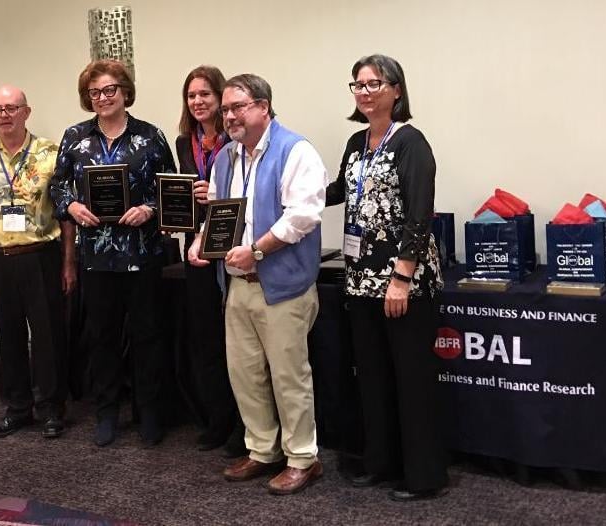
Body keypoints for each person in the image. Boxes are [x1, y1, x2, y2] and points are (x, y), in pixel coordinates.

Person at [188, 74, 327, 495]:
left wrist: (258, 251)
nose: (229, 115)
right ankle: (262, 449)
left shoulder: (295, 150)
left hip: (283, 285)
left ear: (264, 107)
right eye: (226, 108)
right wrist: (201, 243)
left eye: (238, 107)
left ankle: (303, 458)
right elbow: (220, 214)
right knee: (245, 374)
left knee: (289, 377)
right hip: (237, 285)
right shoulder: (226, 157)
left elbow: (302, 217)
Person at [325, 54, 448, 501]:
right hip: (359, 281)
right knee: (372, 378)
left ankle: (423, 477)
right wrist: (296, 191)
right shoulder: (357, 142)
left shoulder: (411, 142)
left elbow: (420, 214)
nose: (365, 91)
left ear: (397, 90)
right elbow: (340, 190)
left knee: (411, 381)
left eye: (375, 83)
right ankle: (381, 463)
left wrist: (402, 277)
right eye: (358, 84)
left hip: (403, 285)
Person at [50, 59, 176, 448]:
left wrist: (150, 209)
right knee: (101, 336)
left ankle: (149, 412)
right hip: (96, 256)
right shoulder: (75, 138)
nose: (102, 98)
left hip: (142, 253)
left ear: (125, 92)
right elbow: (57, 187)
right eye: (94, 93)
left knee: (147, 335)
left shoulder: (150, 137)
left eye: (109, 91)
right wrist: (71, 206)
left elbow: (170, 188)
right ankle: (106, 412)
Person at [0, 85, 75, 439]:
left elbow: (66, 213)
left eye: (12, 108)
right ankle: (17, 408)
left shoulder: (51, 153)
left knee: (48, 335)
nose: (5, 115)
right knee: (7, 335)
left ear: (27, 111)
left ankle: (52, 407)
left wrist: (68, 263)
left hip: (41, 256)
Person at [175, 65, 246, 457]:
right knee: (206, 340)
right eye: (191, 96)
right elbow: (180, 196)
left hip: (233, 248)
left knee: (237, 343)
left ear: (220, 99)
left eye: (205, 94)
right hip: (196, 249)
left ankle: (241, 425)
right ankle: (217, 419)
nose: (198, 102)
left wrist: (214, 193)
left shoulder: (235, 141)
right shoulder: (184, 143)